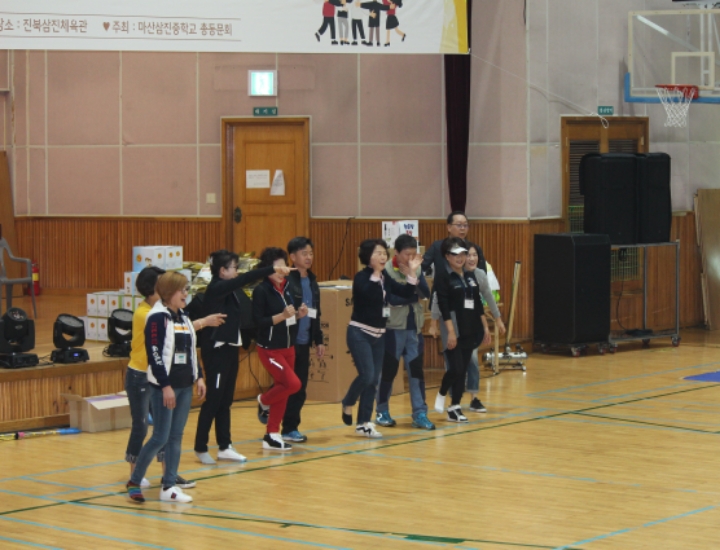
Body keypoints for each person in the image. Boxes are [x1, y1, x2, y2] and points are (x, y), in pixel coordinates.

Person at [124, 266, 224, 491]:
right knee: (146, 429)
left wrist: (198, 376)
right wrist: (203, 322)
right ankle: (135, 476)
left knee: (171, 434)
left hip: (173, 379)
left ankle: (168, 478)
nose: (185, 293)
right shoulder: (150, 315)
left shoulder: (178, 315)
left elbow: (186, 342)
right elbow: (160, 344)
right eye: (180, 289)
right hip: (144, 376)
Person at [194, 250, 292, 465]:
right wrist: (272, 269)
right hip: (217, 351)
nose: (237, 272)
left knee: (225, 400)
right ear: (222, 271)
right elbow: (245, 279)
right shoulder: (217, 288)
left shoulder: (230, 292)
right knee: (214, 400)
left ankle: (225, 446)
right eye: (234, 268)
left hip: (230, 349)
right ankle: (201, 447)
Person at [342, 238, 422, 438]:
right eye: (378, 253)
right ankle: (348, 401)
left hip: (380, 336)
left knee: (373, 382)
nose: (382, 256)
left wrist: (412, 273)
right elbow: (368, 295)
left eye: (384, 253)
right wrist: (377, 274)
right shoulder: (362, 277)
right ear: (367, 257)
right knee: (367, 375)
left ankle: (364, 423)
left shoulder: (385, 277)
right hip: (360, 333)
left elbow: (405, 291)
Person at [375, 234, 434, 430]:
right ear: (396, 253)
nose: (410, 259)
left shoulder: (416, 268)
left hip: (414, 328)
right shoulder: (386, 271)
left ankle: (420, 413)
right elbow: (392, 299)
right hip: (392, 329)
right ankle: (382, 410)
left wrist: (413, 275)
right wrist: (412, 295)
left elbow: (425, 293)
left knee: (416, 372)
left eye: (413, 254)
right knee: (389, 371)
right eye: (406, 254)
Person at [433, 238, 491, 422]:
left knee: (463, 369)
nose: (460, 258)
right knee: (456, 368)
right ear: (447, 256)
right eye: (455, 254)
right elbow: (443, 306)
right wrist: (450, 332)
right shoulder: (443, 277)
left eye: (463, 253)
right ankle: (442, 392)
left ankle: (455, 407)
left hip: (470, 329)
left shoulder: (470, 276)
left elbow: (478, 304)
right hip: (454, 329)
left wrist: (485, 327)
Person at [252, 247, 304, 451]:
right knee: (293, 384)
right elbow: (258, 321)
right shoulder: (261, 290)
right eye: (277, 267)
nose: (282, 270)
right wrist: (282, 316)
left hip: (288, 346)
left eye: (284, 266)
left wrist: (298, 315)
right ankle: (264, 400)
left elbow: (289, 317)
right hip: (270, 349)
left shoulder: (288, 286)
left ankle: (272, 434)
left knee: (284, 389)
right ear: (267, 269)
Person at [283, 237, 325, 443]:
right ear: (292, 257)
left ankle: (290, 428)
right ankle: (269, 407)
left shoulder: (313, 282)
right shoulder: (287, 282)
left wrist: (319, 340)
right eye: (304, 253)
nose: (309, 257)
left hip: (304, 341)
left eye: (311, 253)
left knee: (299, 388)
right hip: (288, 341)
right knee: (288, 385)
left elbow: (316, 313)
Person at [463, 243, 505, 412]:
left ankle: (474, 398)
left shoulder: (480, 275)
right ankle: (453, 400)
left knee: (473, 360)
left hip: (472, 326)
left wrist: (497, 320)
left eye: (475, 255)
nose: (472, 258)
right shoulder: (454, 275)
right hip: (456, 325)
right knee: (455, 363)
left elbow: (487, 299)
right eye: (468, 255)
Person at [422, 211, 487, 277]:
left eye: (465, 225)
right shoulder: (437, 246)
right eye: (459, 225)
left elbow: (482, 273)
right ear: (449, 227)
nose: (462, 228)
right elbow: (422, 266)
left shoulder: (474, 248)